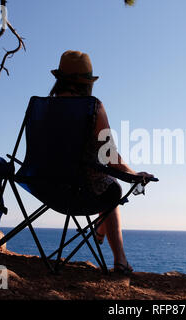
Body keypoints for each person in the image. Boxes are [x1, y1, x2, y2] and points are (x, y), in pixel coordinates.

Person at [49, 50, 154, 274]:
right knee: (111, 188)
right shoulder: (92, 107)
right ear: (87, 83)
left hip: (46, 186)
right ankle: (120, 261)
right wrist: (134, 174)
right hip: (80, 190)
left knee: (101, 180)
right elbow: (110, 156)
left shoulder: (43, 107)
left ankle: (100, 228)